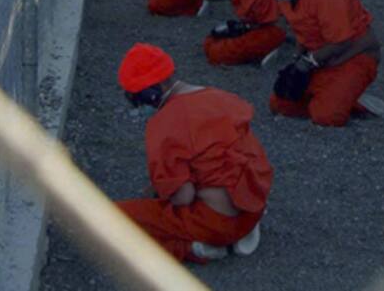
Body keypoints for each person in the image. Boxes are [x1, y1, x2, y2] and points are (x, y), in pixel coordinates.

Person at [116, 43, 274, 262]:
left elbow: (183, 197)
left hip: (216, 222)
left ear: (154, 91)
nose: (137, 106)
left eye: (137, 98)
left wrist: (160, 194)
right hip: (252, 210)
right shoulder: (220, 97)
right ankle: (237, 233)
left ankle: (197, 249)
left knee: (115, 220)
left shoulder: (164, 123)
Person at [259, 0, 383, 127]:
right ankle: (338, 94)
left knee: (326, 116)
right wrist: (299, 58)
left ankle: (350, 99)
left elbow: (343, 41)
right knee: (280, 104)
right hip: (324, 57)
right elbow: (302, 29)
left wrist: (308, 62)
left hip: (353, 55)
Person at [187, 0, 286, 65]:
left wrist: (244, 29)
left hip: (278, 27)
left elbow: (269, 22)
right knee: (212, 41)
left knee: (216, 53)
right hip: (271, 22)